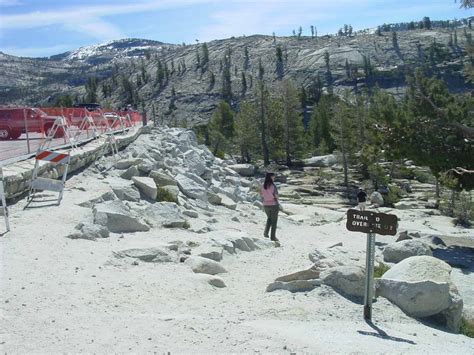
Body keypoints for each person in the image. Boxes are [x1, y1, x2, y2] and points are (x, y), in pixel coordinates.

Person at [260, 172, 280, 244]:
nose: (274, 178)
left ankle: (266, 233)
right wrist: (276, 198)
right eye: (273, 176)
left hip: (265, 205)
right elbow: (276, 196)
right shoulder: (273, 186)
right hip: (273, 204)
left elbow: (261, 195)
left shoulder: (263, 185)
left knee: (269, 219)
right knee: (274, 221)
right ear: (271, 177)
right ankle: (273, 237)